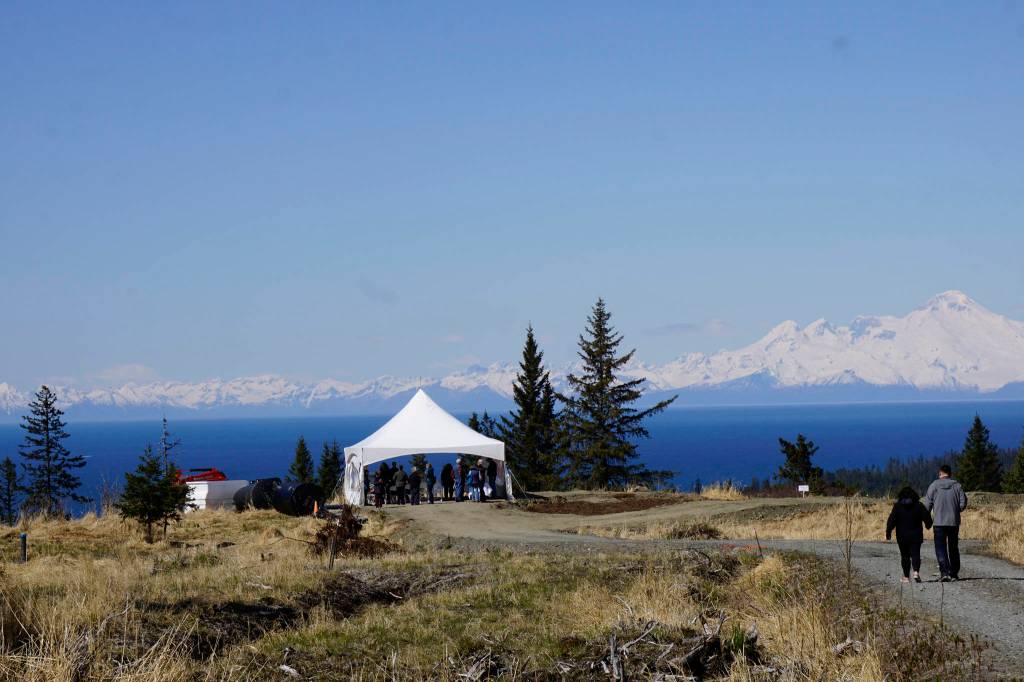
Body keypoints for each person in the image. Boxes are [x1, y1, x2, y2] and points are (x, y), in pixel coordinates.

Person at [924, 464, 968, 581]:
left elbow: (927, 505)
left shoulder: (934, 486)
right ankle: (954, 572)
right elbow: (963, 504)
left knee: (940, 548)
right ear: (950, 474)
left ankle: (945, 572)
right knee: (953, 547)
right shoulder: (957, 486)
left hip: (939, 522)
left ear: (940, 473)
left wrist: (926, 517)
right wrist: (955, 510)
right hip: (953, 522)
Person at [886, 486, 932, 583]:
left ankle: (906, 577)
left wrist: (888, 531)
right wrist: (928, 525)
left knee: (905, 556)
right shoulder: (919, 505)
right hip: (916, 535)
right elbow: (927, 517)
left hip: (902, 536)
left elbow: (892, 520)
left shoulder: (897, 506)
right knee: (916, 554)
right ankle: (916, 572)